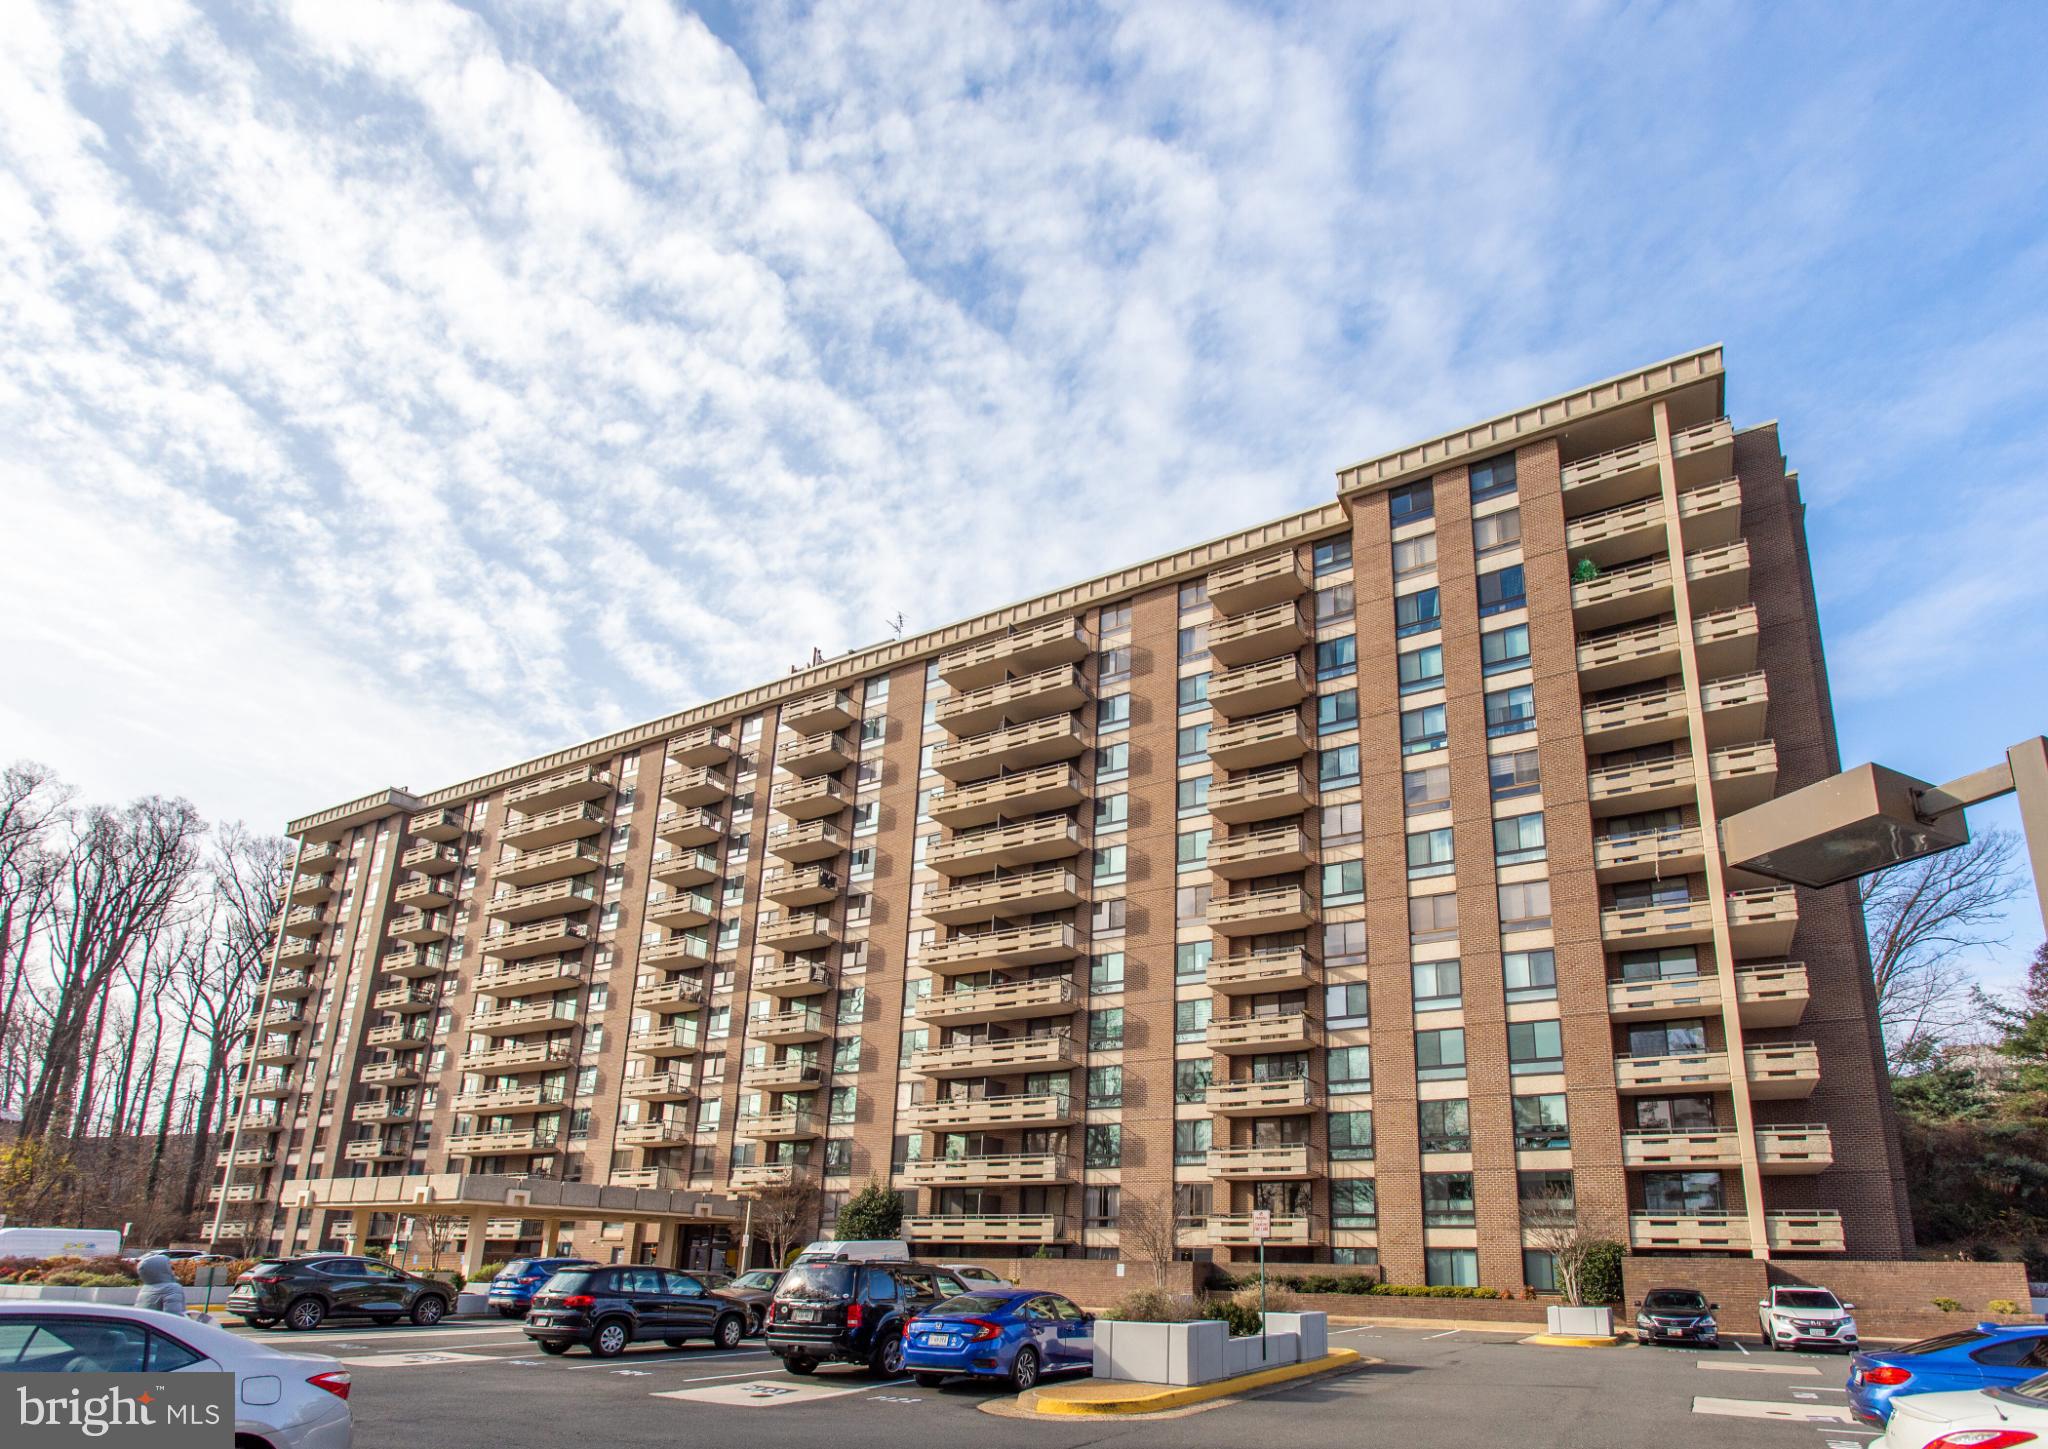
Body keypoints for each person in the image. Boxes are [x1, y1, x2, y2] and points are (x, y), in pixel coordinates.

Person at [134, 1251, 188, 1319]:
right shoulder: (171, 1288)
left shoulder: (145, 1288)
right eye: (170, 1267)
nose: (172, 1270)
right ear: (164, 1269)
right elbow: (173, 1318)